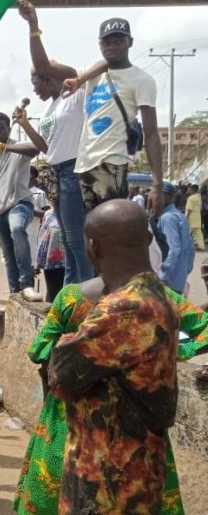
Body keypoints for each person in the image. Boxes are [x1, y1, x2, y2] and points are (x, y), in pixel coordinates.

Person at [15, 274, 206, 515]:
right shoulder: (160, 299)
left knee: (62, 499)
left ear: (93, 253)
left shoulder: (72, 298)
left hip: (71, 423)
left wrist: (76, 351)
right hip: (136, 428)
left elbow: (39, 350)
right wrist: (165, 351)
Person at [48, 199, 179, 514]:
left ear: (92, 246)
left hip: (108, 481)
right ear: (149, 239)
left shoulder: (124, 308)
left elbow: (60, 374)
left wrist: (66, 341)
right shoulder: (158, 295)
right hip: (134, 471)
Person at [17, 0, 96, 284]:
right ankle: (70, 296)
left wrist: (33, 24)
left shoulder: (75, 92)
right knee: (69, 244)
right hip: (57, 172)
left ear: (51, 78)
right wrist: (25, 124)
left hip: (73, 171)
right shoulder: (52, 108)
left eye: (37, 83)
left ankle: (85, 297)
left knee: (77, 242)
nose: (35, 90)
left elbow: (42, 63)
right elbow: (46, 148)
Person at [62, 18, 163, 216]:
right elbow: (45, 67)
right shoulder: (90, 75)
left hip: (112, 162)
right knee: (91, 228)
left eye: (118, 41)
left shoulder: (142, 80)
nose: (112, 47)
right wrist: (33, 26)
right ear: (100, 45)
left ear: (130, 42)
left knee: (111, 225)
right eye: (107, 42)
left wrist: (157, 184)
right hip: (84, 164)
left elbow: (151, 133)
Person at [0, 111, 43, 301]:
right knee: (8, 252)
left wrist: (6, 146)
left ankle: (27, 283)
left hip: (19, 202)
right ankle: (15, 291)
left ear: (9, 129)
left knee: (17, 228)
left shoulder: (17, 149)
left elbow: (36, 148)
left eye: (0, 129)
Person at [157, 183, 195, 294]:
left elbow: (174, 249)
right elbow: (190, 249)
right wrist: (185, 271)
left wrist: (162, 275)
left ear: (168, 196)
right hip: (178, 278)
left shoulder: (167, 218)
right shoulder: (179, 215)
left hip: (168, 280)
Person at [186, 184, 204, 250]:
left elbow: (189, 209)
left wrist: (186, 217)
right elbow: (200, 207)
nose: (188, 190)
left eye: (189, 189)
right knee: (198, 233)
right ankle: (201, 245)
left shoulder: (190, 198)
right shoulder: (198, 198)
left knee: (187, 232)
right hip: (197, 217)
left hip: (191, 217)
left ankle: (186, 245)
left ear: (192, 190)